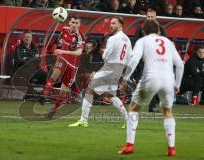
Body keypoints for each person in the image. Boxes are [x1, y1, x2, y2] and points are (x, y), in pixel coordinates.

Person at [118, 20, 184, 156]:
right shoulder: (168, 42)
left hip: (151, 79)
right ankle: (171, 148)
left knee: (134, 108)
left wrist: (125, 78)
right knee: (167, 111)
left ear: (143, 31)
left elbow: (134, 59)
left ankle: (129, 144)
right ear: (158, 31)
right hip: (168, 80)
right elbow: (180, 65)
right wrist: (177, 84)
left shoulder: (142, 41)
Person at [68, 16, 132, 128]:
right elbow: (130, 57)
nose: (111, 25)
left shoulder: (113, 38)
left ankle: (83, 121)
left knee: (89, 89)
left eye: (113, 23)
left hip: (110, 66)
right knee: (110, 94)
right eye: (111, 23)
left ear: (120, 25)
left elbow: (106, 57)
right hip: (119, 68)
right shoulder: (127, 39)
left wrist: (103, 52)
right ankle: (128, 120)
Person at [42, 16, 85, 114]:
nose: (74, 25)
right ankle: (44, 96)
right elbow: (60, 37)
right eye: (73, 22)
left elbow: (78, 53)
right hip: (62, 58)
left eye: (76, 23)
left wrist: (62, 50)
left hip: (73, 64)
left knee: (63, 90)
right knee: (54, 75)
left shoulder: (80, 36)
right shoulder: (64, 29)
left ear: (79, 25)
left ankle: (54, 109)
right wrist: (61, 43)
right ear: (69, 22)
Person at [132, 8, 166, 113]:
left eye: (152, 17)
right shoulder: (140, 28)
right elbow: (135, 43)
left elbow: (163, 44)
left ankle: (152, 106)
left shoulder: (161, 29)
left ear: (156, 17)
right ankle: (136, 104)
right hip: (143, 61)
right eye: (148, 16)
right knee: (140, 83)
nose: (150, 18)